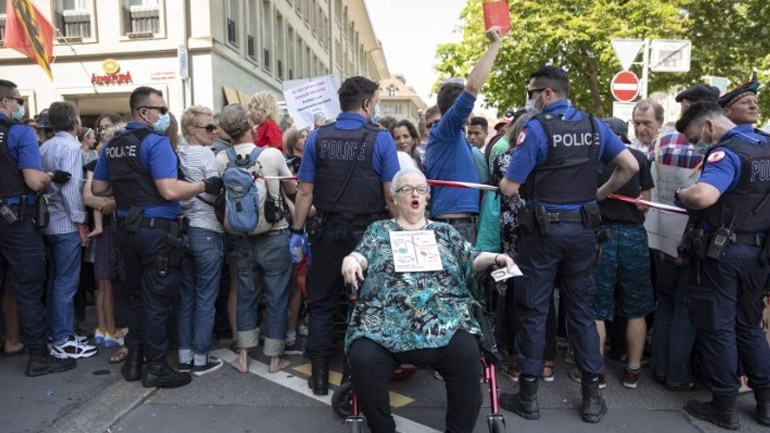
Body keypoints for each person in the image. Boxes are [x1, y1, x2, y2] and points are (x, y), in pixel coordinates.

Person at [498, 65, 639, 423]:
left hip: (543, 234)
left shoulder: (537, 128)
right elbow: (630, 166)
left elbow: (510, 187)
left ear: (547, 93)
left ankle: (528, 396)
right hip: (583, 233)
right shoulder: (594, 126)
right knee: (581, 314)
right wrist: (597, 194)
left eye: (531, 93)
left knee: (533, 309)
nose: (529, 99)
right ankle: (591, 397)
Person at [341, 168, 516, 433]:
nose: (415, 194)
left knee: (467, 353)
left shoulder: (444, 232)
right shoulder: (379, 231)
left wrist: (496, 258)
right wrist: (351, 260)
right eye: (407, 189)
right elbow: (361, 255)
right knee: (362, 357)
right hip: (385, 325)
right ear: (395, 197)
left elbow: (471, 258)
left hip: (445, 321)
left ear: (427, 197)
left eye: (421, 190)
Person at [92, 86, 223, 388]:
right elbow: (169, 190)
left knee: (138, 298)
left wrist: (129, 186)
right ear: (143, 112)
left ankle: (135, 363)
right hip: (156, 231)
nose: (165, 115)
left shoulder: (113, 145)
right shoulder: (156, 142)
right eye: (161, 110)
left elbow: (98, 189)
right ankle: (158, 368)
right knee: (159, 301)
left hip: (126, 229)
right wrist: (205, 185)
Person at [290, 76, 400, 396]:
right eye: (376, 103)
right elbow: (390, 195)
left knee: (322, 303)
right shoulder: (380, 139)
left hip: (325, 232)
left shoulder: (318, 137)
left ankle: (320, 375)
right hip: (368, 235)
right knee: (367, 303)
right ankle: (358, 376)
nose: (376, 108)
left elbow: (305, 190)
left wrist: (296, 232)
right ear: (367, 104)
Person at [675, 101, 770, 430]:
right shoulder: (765, 145)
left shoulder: (725, 153)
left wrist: (683, 191)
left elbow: (704, 197)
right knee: (750, 325)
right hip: (758, 254)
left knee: (718, 329)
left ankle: (724, 406)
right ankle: (766, 404)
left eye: (695, 137)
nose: (698, 144)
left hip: (723, 255)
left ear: (709, 127)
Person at [0, 79, 75, 376]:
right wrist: (50, 176)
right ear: (6, 102)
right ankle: (39, 356)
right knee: (29, 286)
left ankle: (10, 340)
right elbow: (32, 180)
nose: (21, 106)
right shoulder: (19, 132)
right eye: (18, 101)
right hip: (16, 218)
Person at [216, 103, 298, 375]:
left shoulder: (222, 159)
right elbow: (292, 186)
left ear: (226, 131)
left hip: (241, 237)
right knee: (277, 296)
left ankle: (243, 356)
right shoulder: (272, 155)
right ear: (250, 125)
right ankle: (275, 358)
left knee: (246, 296)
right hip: (274, 234)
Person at [574, 117, 654, 389]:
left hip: (600, 236)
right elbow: (645, 203)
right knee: (636, 308)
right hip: (634, 236)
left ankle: (597, 373)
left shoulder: (589, 158)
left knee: (596, 308)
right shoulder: (640, 158)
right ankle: (632, 370)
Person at [648, 83, 718, 392]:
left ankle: (661, 368)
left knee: (664, 302)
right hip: (692, 238)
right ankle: (677, 374)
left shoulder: (662, 141)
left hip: (661, 235)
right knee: (683, 308)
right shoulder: (709, 145)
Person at [426, 27, 502, 243]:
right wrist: (494, 45)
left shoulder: (452, 135)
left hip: (458, 224)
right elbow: (472, 87)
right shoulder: (446, 132)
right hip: (454, 227)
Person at [39, 101, 96, 360]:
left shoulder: (46, 145)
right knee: (66, 282)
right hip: (66, 223)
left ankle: (57, 332)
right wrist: (80, 221)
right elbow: (72, 189)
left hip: (48, 221)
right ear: (74, 121)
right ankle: (62, 338)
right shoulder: (72, 147)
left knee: (55, 281)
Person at [175, 105, 226, 376]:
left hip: (183, 231)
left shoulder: (177, 154)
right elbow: (218, 192)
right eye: (209, 127)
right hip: (207, 230)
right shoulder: (206, 155)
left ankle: (184, 356)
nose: (214, 131)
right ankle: (200, 358)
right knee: (206, 297)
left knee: (186, 297)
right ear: (192, 130)